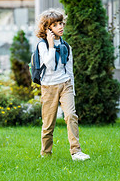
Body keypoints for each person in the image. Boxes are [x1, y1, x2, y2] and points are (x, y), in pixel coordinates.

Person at [35, 8, 90, 161]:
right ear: (47, 29)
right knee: (48, 123)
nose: (60, 27)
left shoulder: (66, 46)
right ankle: (46, 154)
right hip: (49, 87)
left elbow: (69, 69)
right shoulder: (42, 45)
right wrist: (51, 45)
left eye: (61, 23)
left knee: (71, 115)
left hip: (65, 84)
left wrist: (72, 90)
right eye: (55, 25)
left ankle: (76, 152)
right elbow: (50, 66)